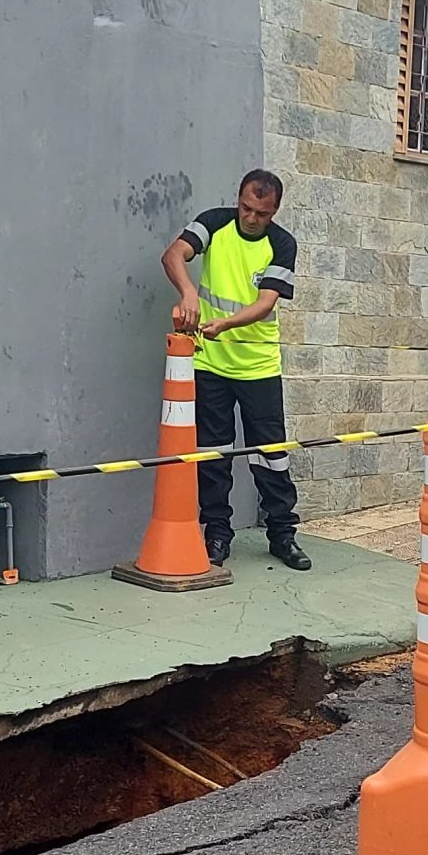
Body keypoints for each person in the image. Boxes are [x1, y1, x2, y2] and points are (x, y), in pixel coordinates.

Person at [164, 170, 309, 572]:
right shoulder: (214, 222)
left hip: (258, 368)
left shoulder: (282, 244)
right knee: (214, 454)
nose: (250, 217)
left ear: (273, 212)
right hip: (210, 365)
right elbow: (173, 254)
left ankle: (282, 534)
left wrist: (224, 324)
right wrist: (188, 291)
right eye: (246, 207)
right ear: (238, 199)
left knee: (271, 456)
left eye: (261, 213)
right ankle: (217, 534)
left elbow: (265, 304)